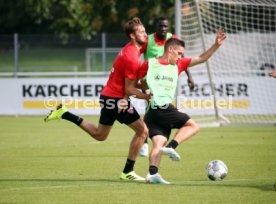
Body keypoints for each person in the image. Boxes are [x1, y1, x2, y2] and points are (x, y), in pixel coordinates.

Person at [44, 17, 151, 182]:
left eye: (145, 30)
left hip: (109, 96)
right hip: (115, 99)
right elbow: (129, 88)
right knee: (143, 131)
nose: (145, 34)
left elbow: (152, 43)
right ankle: (128, 171)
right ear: (132, 36)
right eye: (141, 32)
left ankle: (64, 113)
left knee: (100, 135)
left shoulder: (136, 47)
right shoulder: (131, 56)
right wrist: (146, 95)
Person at [138, 29, 226, 184]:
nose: (180, 57)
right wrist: (144, 89)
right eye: (179, 53)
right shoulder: (149, 64)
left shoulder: (178, 64)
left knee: (158, 142)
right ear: (170, 49)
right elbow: (136, 82)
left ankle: (152, 174)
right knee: (193, 126)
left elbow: (201, 58)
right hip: (160, 107)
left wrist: (216, 45)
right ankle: (172, 146)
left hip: (151, 112)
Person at [138, 16, 195, 157]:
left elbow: (182, 57)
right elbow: (137, 54)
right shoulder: (148, 40)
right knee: (150, 108)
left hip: (165, 81)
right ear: (156, 27)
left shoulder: (172, 38)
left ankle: (147, 141)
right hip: (149, 81)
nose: (163, 29)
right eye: (160, 26)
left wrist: (189, 76)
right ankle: (144, 143)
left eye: (165, 26)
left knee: (153, 111)